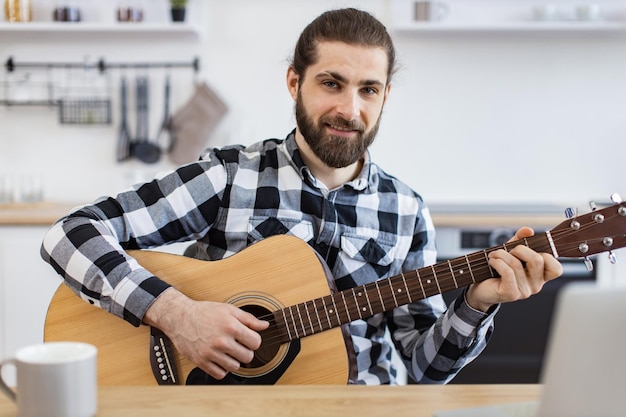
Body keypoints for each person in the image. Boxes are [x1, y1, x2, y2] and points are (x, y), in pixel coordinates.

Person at [41, 8, 563, 385]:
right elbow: (71, 235)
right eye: (331, 83)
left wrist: (475, 303)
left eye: (368, 89)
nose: (350, 109)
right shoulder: (230, 177)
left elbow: (425, 369)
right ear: (295, 82)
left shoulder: (406, 211)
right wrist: (178, 315)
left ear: (384, 96)